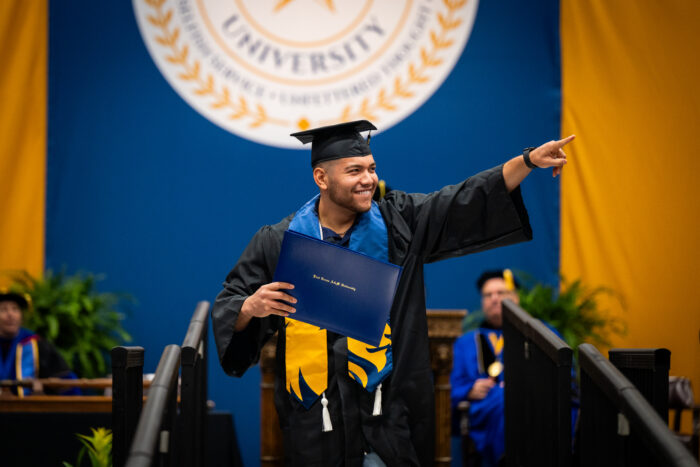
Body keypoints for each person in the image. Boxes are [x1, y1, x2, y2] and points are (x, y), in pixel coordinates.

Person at [212, 120, 574, 466]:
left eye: (371, 168)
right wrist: (249, 307)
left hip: (385, 419)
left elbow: (461, 201)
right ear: (321, 178)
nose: (369, 179)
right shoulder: (279, 242)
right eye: (355, 171)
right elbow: (231, 302)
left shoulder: (400, 224)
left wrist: (526, 161)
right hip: (316, 422)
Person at [450, 269, 520, 467]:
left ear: (515, 297)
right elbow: (448, 388)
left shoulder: (540, 335)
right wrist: (470, 390)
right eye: (488, 295)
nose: (494, 299)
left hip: (532, 406)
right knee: (503, 400)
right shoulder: (465, 343)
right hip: (484, 411)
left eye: (501, 293)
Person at [0, 288, 80, 396]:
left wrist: (41, 391)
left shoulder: (36, 344)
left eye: (15, 309)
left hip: (26, 409)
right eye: (3, 310)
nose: (10, 315)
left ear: (21, 316)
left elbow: (65, 381)